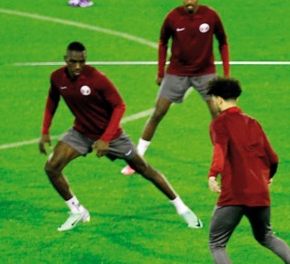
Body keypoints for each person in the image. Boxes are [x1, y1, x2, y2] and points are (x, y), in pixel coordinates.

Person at [38, 41, 203, 232]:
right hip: (81, 132)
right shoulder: (57, 78)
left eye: (81, 62)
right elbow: (52, 100)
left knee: (144, 169)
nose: (77, 66)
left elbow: (119, 106)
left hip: (113, 135)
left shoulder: (97, 79)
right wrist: (44, 131)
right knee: (52, 167)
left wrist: (106, 138)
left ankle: (182, 208)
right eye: (73, 62)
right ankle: (77, 210)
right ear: (65, 59)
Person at [206, 77, 290, 264]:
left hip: (234, 194)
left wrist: (213, 174)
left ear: (219, 100)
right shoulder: (253, 123)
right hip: (260, 192)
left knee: (217, 242)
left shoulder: (219, 124)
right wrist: (267, 177)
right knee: (266, 236)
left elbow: (220, 151)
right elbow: (272, 157)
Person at [120, 0, 230, 175]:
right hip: (177, 72)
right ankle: (136, 160)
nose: (189, 1)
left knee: (218, 115)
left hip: (205, 73)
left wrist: (226, 73)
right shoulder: (173, 17)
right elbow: (163, 42)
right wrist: (161, 72)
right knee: (158, 112)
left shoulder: (211, 16)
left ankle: (225, 160)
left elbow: (223, 42)